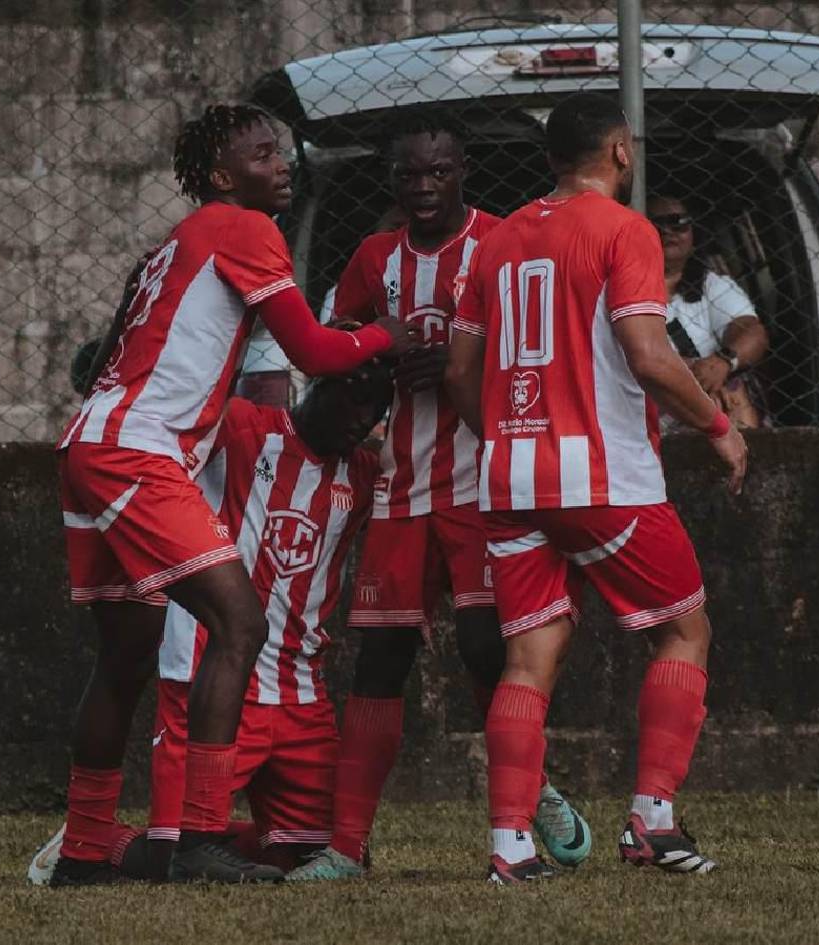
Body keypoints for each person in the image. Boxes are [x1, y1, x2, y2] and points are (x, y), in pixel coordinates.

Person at [51, 104, 415, 886]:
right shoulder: (245, 227)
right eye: (260, 154)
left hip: (90, 438)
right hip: (138, 449)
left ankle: (84, 845)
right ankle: (202, 838)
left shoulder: (168, 247)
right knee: (238, 618)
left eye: (280, 151)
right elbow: (313, 348)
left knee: (124, 652)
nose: (280, 164)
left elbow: (114, 350)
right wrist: (388, 333)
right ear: (222, 177)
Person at [446, 93, 747, 884]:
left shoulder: (499, 238)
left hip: (508, 475)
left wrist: (510, 442)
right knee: (684, 629)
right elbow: (647, 355)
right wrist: (718, 428)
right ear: (620, 151)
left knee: (529, 655)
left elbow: (458, 371)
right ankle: (651, 820)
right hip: (602, 474)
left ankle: (510, 846)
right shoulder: (624, 230)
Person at [288, 121, 590, 883]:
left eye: (438, 172)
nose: (422, 187)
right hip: (400, 490)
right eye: (408, 175)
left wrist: (464, 360)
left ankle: (527, 806)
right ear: (393, 181)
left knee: (491, 653)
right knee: (380, 661)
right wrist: (379, 353)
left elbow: (535, 345)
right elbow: (340, 342)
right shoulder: (374, 258)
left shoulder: (502, 242)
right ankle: (347, 848)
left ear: (463, 173)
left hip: (484, 486)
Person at [30, 364, 392, 884]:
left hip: (300, 693)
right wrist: (110, 362)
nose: (364, 419)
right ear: (319, 380)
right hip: (211, 678)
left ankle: (209, 841)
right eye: (355, 399)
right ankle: (97, 841)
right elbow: (161, 405)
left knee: (311, 858)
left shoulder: (362, 474)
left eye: (377, 409)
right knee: (173, 865)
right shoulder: (241, 425)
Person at [647, 194, 771, 428]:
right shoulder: (614, 291)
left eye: (678, 222)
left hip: (707, 405)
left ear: (695, 233)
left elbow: (752, 333)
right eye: (656, 224)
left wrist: (723, 363)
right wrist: (684, 372)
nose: (667, 231)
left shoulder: (713, 286)